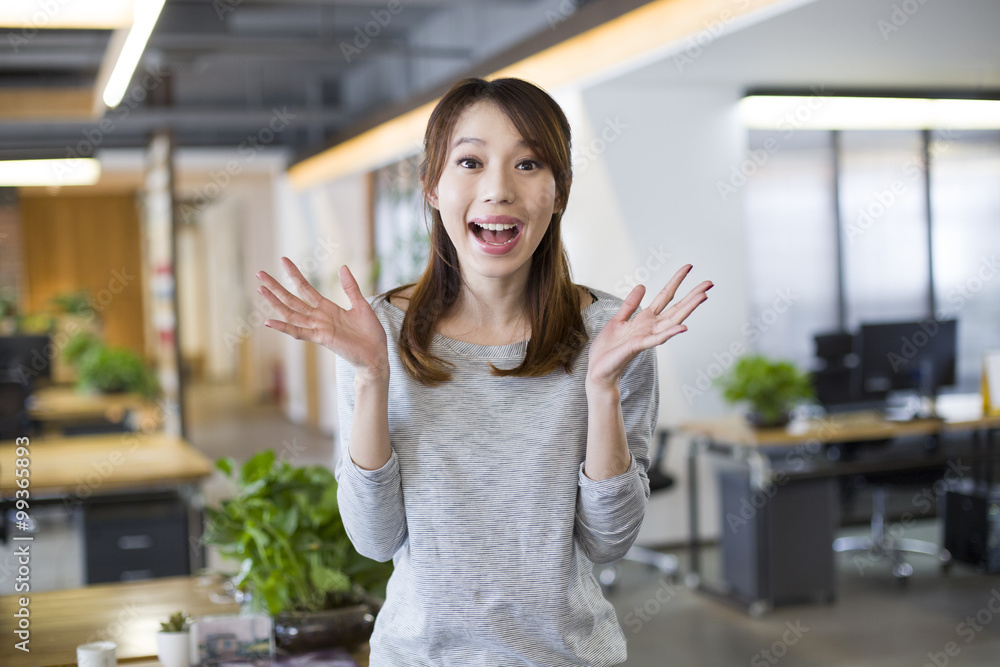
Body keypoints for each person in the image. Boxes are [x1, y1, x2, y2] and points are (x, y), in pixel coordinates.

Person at [255, 77, 712, 666]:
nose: (497, 189)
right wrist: (372, 376)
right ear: (432, 187)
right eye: (470, 161)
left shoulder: (613, 336)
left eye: (528, 163)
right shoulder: (377, 336)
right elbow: (374, 541)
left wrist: (601, 389)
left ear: (560, 192)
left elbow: (608, 541)